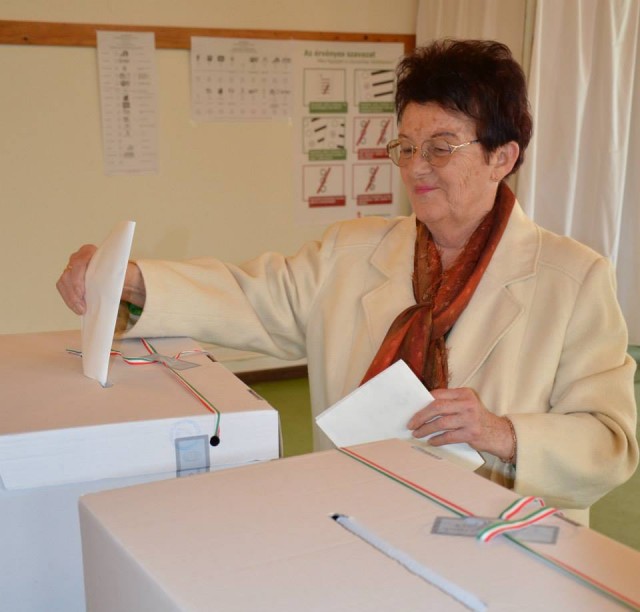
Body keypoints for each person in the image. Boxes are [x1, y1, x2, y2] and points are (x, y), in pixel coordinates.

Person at [57, 39, 638, 523]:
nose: (416, 168)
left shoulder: (572, 279)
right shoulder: (352, 252)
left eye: (441, 148)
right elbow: (252, 297)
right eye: (405, 147)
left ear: (502, 158)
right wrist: (130, 280)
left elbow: (610, 443)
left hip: (500, 537)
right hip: (357, 516)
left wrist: (502, 433)